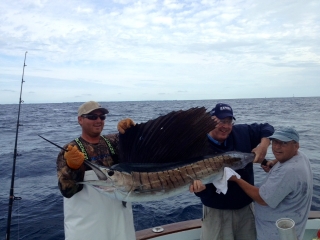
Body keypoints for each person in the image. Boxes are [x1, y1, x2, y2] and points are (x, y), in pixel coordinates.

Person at [189, 103, 274, 240]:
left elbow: (267, 128)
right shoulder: (198, 146)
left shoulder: (242, 132)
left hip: (246, 210)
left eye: (229, 122)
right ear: (210, 122)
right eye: (221, 121)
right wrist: (200, 190)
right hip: (217, 213)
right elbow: (199, 187)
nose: (226, 126)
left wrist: (263, 146)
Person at [56, 101, 136, 240]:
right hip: (87, 229)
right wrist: (73, 168)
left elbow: (138, 146)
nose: (98, 120)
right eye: (92, 116)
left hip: (121, 223)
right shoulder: (70, 150)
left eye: (102, 117)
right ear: (80, 120)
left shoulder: (113, 141)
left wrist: (130, 130)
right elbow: (67, 191)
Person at [229, 127, 313, 240]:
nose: (277, 147)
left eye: (284, 143)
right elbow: (285, 167)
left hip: (275, 234)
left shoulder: (289, 171)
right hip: (293, 227)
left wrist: (236, 178)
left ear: (296, 146)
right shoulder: (301, 156)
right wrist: (272, 162)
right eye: (275, 142)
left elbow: (262, 199)